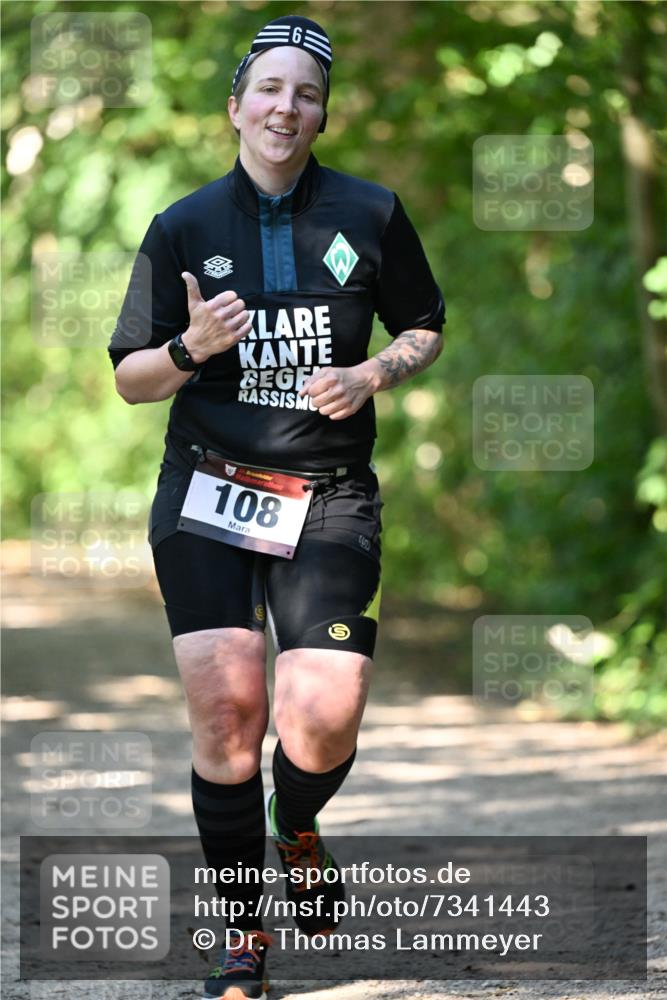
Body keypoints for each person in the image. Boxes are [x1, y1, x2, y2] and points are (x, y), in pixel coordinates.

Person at [109, 14, 445, 1000]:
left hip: (329, 496)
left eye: (304, 93)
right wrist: (188, 350)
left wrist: (375, 369)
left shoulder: (371, 212)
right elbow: (131, 379)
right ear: (235, 107)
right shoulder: (180, 226)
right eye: (268, 89)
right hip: (208, 489)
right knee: (227, 710)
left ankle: (295, 822)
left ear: (321, 114)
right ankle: (239, 934)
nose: (284, 107)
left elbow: (423, 324)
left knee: (320, 721)